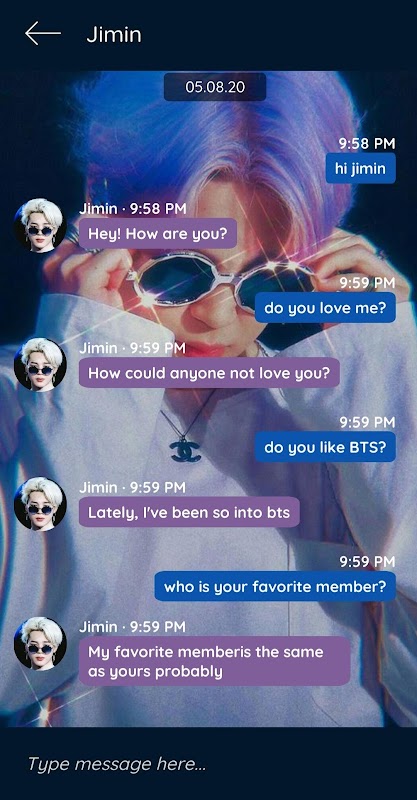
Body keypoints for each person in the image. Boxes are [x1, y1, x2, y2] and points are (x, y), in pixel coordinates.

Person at [0, 71, 416, 728]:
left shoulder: (341, 410)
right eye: (179, 271)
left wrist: (388, 373)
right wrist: (87, 382)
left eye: (267, 279)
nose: (216, 317)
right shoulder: (17, 398)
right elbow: (13, 672)